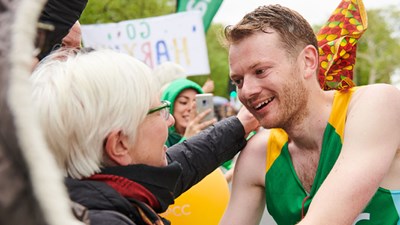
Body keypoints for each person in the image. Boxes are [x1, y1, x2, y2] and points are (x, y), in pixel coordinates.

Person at [30, 48, 258, 225]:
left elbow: (184, 161)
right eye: (160, 111)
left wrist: (240, 124)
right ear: (119, 145)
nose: (169, 121)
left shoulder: (95, 189)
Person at [220, 4, 400, 225]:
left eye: (260, 71)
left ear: (308, 61)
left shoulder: (376, 104)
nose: (246, 91)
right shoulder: (257, 154)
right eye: (238, 80)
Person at [161, 78, 217, 147]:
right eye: (183, 102)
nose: (191, 108)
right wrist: (187, 141)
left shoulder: (206, 135)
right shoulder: (159, 138)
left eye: (196, 102)